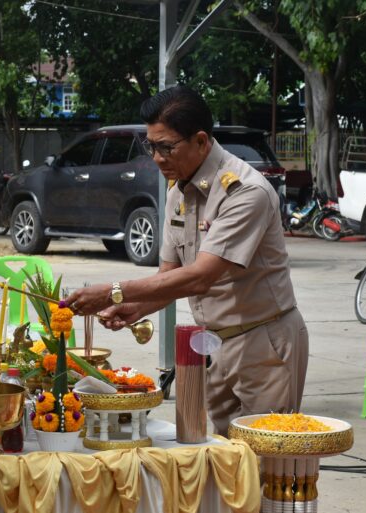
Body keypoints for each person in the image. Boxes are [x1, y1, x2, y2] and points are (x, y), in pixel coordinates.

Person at [64, 86, 309, 435]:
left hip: (263, 342)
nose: (158, 158)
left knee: (269, 465)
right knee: (227, 461)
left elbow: (200, 278)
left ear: (200, 141)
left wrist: (114, 292)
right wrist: (136, 307)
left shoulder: (244, 191)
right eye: (151, 147)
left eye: (167, 147)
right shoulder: (178, 190)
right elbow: (171, 275)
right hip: (216, 343)